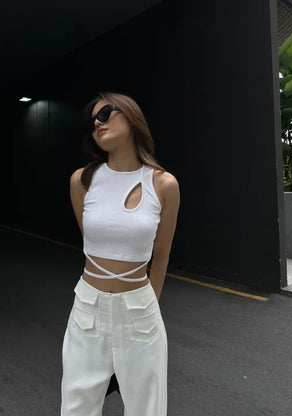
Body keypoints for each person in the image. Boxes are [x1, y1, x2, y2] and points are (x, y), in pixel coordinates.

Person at [61, 91, 180, 416]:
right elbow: (92, 245)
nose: (97, 124)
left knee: (147, 409)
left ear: (131, 116)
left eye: (105, 114)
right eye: (92, 122)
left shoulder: (164, 184)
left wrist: (147, 307)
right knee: (76, 409)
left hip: (140, 310)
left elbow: (161, 255)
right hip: (88, 309)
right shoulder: (82, 181)